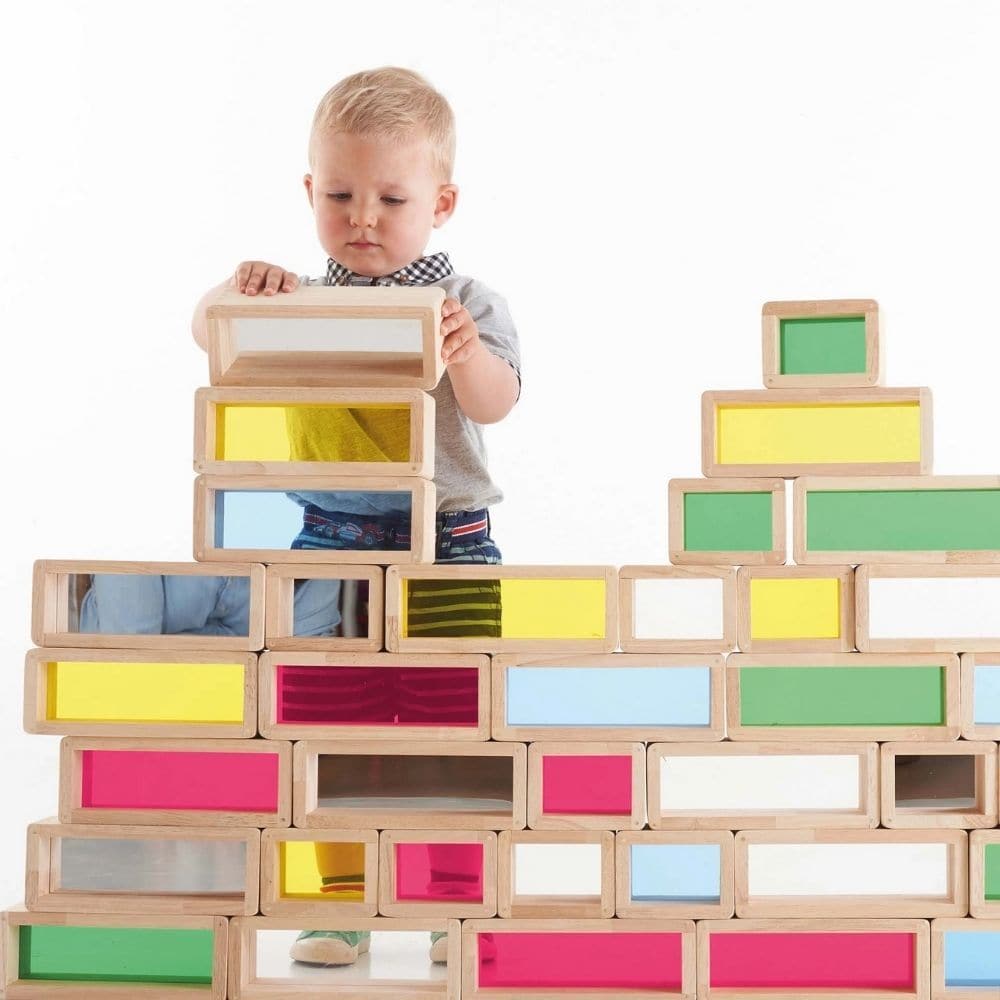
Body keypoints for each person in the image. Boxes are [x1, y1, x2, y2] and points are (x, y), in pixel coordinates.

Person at [191, 66, 520, 968]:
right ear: (309, 192)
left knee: (456, 727)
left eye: (390, 196)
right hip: (330, 538)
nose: (363, 217)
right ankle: (340, 904)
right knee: (325, 723)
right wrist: (244, 285)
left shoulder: (471, 304)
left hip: (447, 537)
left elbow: (495, 405)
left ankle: (456, 909)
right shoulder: (300, 296)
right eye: (339, 193)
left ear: (441, 202)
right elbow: (209, 333)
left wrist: (465, 352)